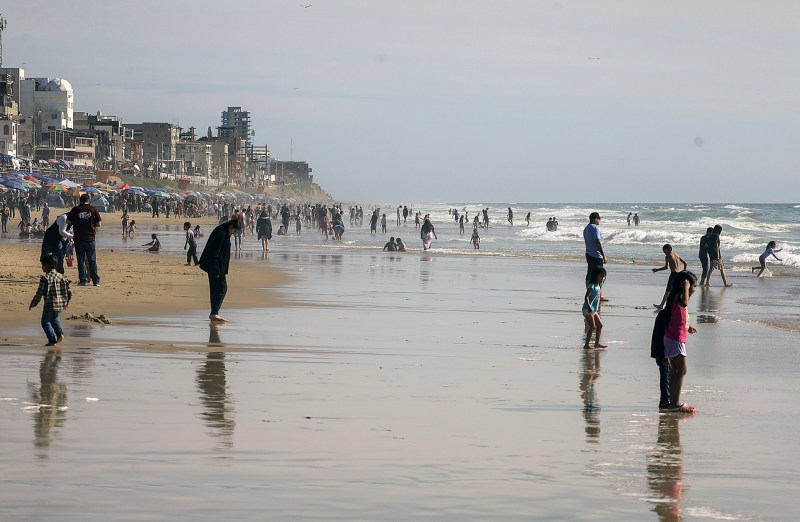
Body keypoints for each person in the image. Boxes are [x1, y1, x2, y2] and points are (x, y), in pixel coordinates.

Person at [663, 271, 698, 413]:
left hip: (675, 337)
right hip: (675, 338)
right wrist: (686, 286)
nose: (695, 289)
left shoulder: (675, 297)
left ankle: (673, 403)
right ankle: (675, 403)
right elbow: (684, 304)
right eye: (694, 286)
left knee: (676, 371)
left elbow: (677, 317)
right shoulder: (679, 297)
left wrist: (687, 327)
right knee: (681, 370)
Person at [198, 219, 240, 322]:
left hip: (215, 266)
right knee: (222, 287)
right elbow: (215, 252)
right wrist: (217, 270)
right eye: (234, 231)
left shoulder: (223, 231)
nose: (234, 233)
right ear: (231, 226)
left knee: (215, 288)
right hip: (215, 266)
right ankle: (214, 313)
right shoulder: (221, 233)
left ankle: (214, 313)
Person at [29, 253, 72, 346]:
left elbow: (39, 293)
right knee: (54, 319)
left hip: (50, 304)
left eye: (42, 265)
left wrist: (34, 302)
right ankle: (60, 334)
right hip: (61, 304)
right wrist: (67, 302)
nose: (42, 267)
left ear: (47, 265)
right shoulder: (62, 276)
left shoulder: (45, 278)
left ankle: (52, 340)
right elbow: (69, 291)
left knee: (45, 322)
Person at [66, 193, 102, 287]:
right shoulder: (93, 209)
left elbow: (68, 221)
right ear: (88, 200)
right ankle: (95, 281)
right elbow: (99, 224)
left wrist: (76, 222)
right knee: (92, 260)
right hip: (90, 238)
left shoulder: (75, 209)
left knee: (81, 260)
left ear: (80, 201)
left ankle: (83, 280)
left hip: (79, 238)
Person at [652, 244, 688, 311]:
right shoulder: (676, 254)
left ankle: (661, 305)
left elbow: (666, 267)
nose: (664, 252)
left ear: (668, 250)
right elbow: (685, 263)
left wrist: (657, 270)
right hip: (679, 274)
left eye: (664, 250)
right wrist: (684, 271)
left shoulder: (668, 256)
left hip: (674, 274)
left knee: (668, 291)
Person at [582, 266, 607, 349]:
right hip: (587, 309)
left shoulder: (598, 286)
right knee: (592, 327)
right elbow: (586, 297)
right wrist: (589, 307)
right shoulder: (591, 285)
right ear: (595, 275)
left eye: (603, 276)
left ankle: (596, 343)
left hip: (594, 310)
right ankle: (586, 345)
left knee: (599, 325)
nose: (602, 278)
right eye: (600, 276)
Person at [583, 212, 606, 284]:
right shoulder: (595, 228)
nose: (599, 220)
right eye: (599, 219)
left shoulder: (586, 228)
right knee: (600, 274)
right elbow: (598, 243)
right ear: (595, 219)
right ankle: (598, 292)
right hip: (596, 255)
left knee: (590, 272)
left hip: (588, 253)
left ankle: (588, 290)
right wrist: (604, 256)